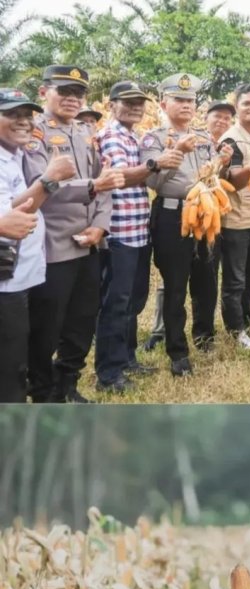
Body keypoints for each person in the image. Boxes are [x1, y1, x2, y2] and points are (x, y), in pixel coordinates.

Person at [25, 65, 124, 403]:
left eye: (78, 93)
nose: (72, 99)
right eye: (63, 91)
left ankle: (68, 383)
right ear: (43, 93)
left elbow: (106, 183)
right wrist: (93, 186)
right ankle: (43, 392)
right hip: (53, 245)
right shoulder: (34, 134)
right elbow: (40, 186)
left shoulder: (85, 132)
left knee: (82, 322)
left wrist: (100, 225)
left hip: (89, 244)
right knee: (46, 327)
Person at [94, 81, 182, 393]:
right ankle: (108, 373)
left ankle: (127, 358)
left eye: (139, 103)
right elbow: (118, 177)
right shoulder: (110, 136)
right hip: (118, 233)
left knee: (133, 300)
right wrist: (155, 163)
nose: (134, 107)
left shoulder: (132, 136)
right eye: (127, 102)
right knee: (116, 304)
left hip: (137, 231)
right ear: (111, 105)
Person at [139, 73, 217, 376]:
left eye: (191, 100)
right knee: (175, 285)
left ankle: (204, 336)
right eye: (179, 100)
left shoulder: (204, 138)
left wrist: (218, 164)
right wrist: (177, 153)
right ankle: (177, 351)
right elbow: (154, 180)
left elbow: (211, 176)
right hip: (173, 214)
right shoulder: (155, 139)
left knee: (206, 280)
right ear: (163, 103)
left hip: (205, 213)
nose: (186, 105)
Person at [0, 87, 74, 402]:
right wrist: (48, 179)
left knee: (23, 355)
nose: (23, 121)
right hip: (7, 283)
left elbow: (13, 205)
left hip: (25, 276)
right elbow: (13, 219)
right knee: (10, 369)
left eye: (27, 115)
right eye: (11, 114)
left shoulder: (13, 156)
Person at [220, 84, 250, 349]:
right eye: (247, 103)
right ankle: (235, 329)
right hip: (236, 220)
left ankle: (247, 320)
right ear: (237, 106)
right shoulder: (231, 139)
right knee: (235, 279)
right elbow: (233, 180)